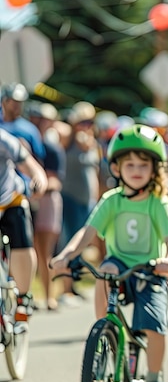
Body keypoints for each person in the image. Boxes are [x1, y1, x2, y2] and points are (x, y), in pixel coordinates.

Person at [50, 124, 168, 382]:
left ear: (155, 169)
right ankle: (106, 327)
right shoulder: (111, 200)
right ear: (116, 169)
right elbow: (86, 234)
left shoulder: (157, 201)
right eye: (130, 164)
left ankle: (154, 376)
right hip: (120, 263)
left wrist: (167, 261)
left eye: (143, 165)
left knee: (155, 327)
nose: (136, 170)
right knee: (106, 268)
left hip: (150, 268)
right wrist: (66, 255)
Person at [0, 127, 47, 332]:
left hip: (9, 200)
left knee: (21, 243)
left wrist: (39, 180)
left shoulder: (4, 140)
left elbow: (31, 166)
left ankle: (23, 297)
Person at [58, 101, 102, 306]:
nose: (87, 125)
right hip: (70, 197)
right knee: (70, 243)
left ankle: (74, 286)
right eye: (83, 121)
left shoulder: (93, 142)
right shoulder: (69, 138)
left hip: (88, 201)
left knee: (82, 245)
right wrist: (74, 130)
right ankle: (65, 289)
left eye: (90, 121)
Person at [28, 102, 67, 311]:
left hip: (47, 200)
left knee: (46, 251)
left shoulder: (51, 147)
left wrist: (37, 183)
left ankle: (50, 296)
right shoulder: (28, 144)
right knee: (30, 250)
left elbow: (55, 180)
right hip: (30, 200)